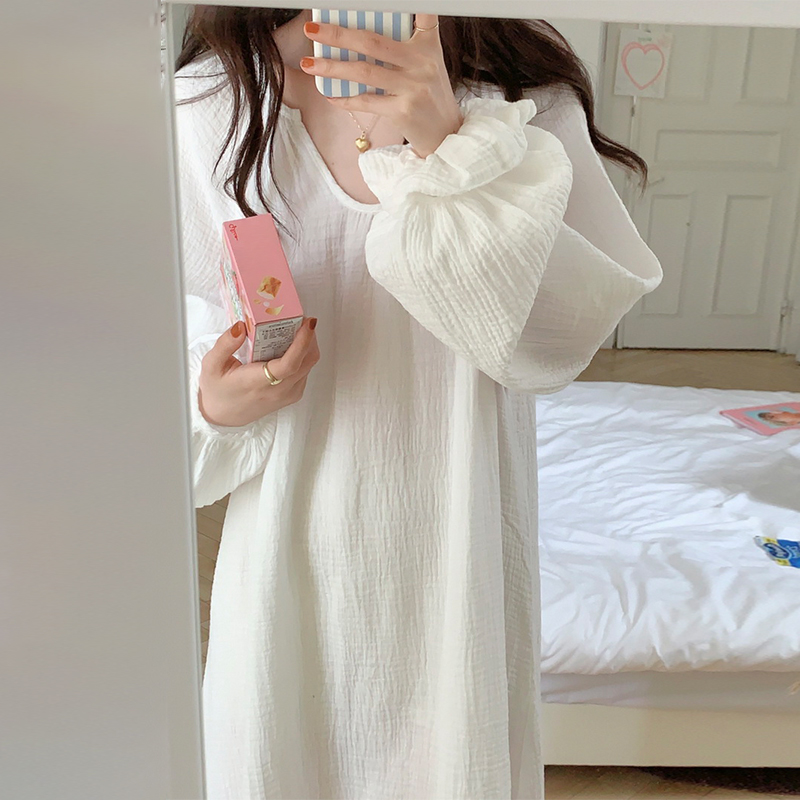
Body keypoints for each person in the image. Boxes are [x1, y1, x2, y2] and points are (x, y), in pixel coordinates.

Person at [173, 8, 662, 799]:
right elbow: (146, 365)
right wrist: (216, 403)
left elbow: (555, 340)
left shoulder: (520, 93)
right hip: (287, 574)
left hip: (463, 558)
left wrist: (449, 145)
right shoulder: (209, 107)